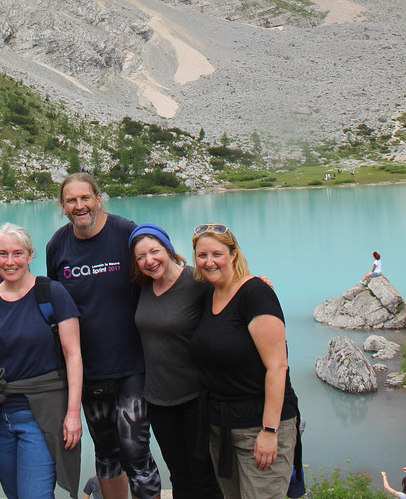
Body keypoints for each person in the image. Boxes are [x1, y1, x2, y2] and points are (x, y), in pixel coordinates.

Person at [46, 174, 161, 499]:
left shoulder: (125, 232)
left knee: (135, 450)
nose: (79, 206)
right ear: (63, 206)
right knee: (107, 453)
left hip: (132, 364)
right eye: (71, 200)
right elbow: (55, 305)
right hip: (88, 369)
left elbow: (163, 271)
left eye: (85, 198)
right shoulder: (57, 246)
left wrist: (234, 284)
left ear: (98, 198)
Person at [189, 224, 301, 499]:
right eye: (202, 255)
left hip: (260, 426)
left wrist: (270, 430)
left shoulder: (255, 294)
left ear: (233, 255)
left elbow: (278, 366)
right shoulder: (208, 293)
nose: (209, 261)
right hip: (222, 427)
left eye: (217, 253)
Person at [0, 223, 83, 499]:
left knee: (35, 495)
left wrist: (73, 413)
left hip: (41, 413)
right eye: (2, 254)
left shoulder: (52, 294)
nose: (10, 262)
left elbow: (73, 355)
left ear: (31, 255)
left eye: (17, 253)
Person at [130, 223, 222, 499]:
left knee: (204, 477)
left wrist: (256, 284)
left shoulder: (197, 282)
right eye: (141, 257)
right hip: (159, 400)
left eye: (155, 251)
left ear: (168, 249)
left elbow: (232, 297)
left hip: (195, 398)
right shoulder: (142, 287)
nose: (150, 261)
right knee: (179, 477)